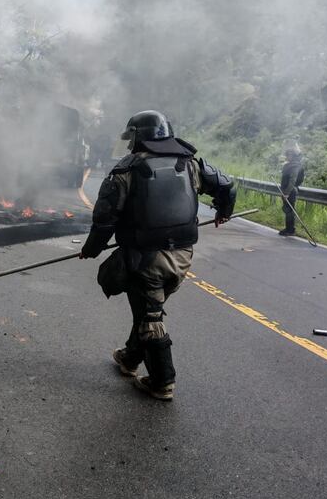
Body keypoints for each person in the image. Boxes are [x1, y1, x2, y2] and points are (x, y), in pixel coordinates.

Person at [80, 110, 236, 401]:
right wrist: (223, 213)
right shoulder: (189, 165)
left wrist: (91, 250)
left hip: (146, 258)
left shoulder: (125, 172)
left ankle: (162, 381)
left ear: (139, 138)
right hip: (183, 256)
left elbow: (104, 220)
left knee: (150, 317)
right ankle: (129, 358)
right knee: (147, 307)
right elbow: (226, 185)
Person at [279, 143, 305, 237]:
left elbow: (293, 180)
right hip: (286, 191)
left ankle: (290, 230)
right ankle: (288, 228)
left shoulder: (295, 166)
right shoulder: (289, 165)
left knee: (290, 210)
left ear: (293, 156)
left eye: (289, 155)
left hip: (291, 191)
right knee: (287, 210)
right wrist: (283, 191)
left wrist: (287, 193)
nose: (287, 157)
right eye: (287, 155)